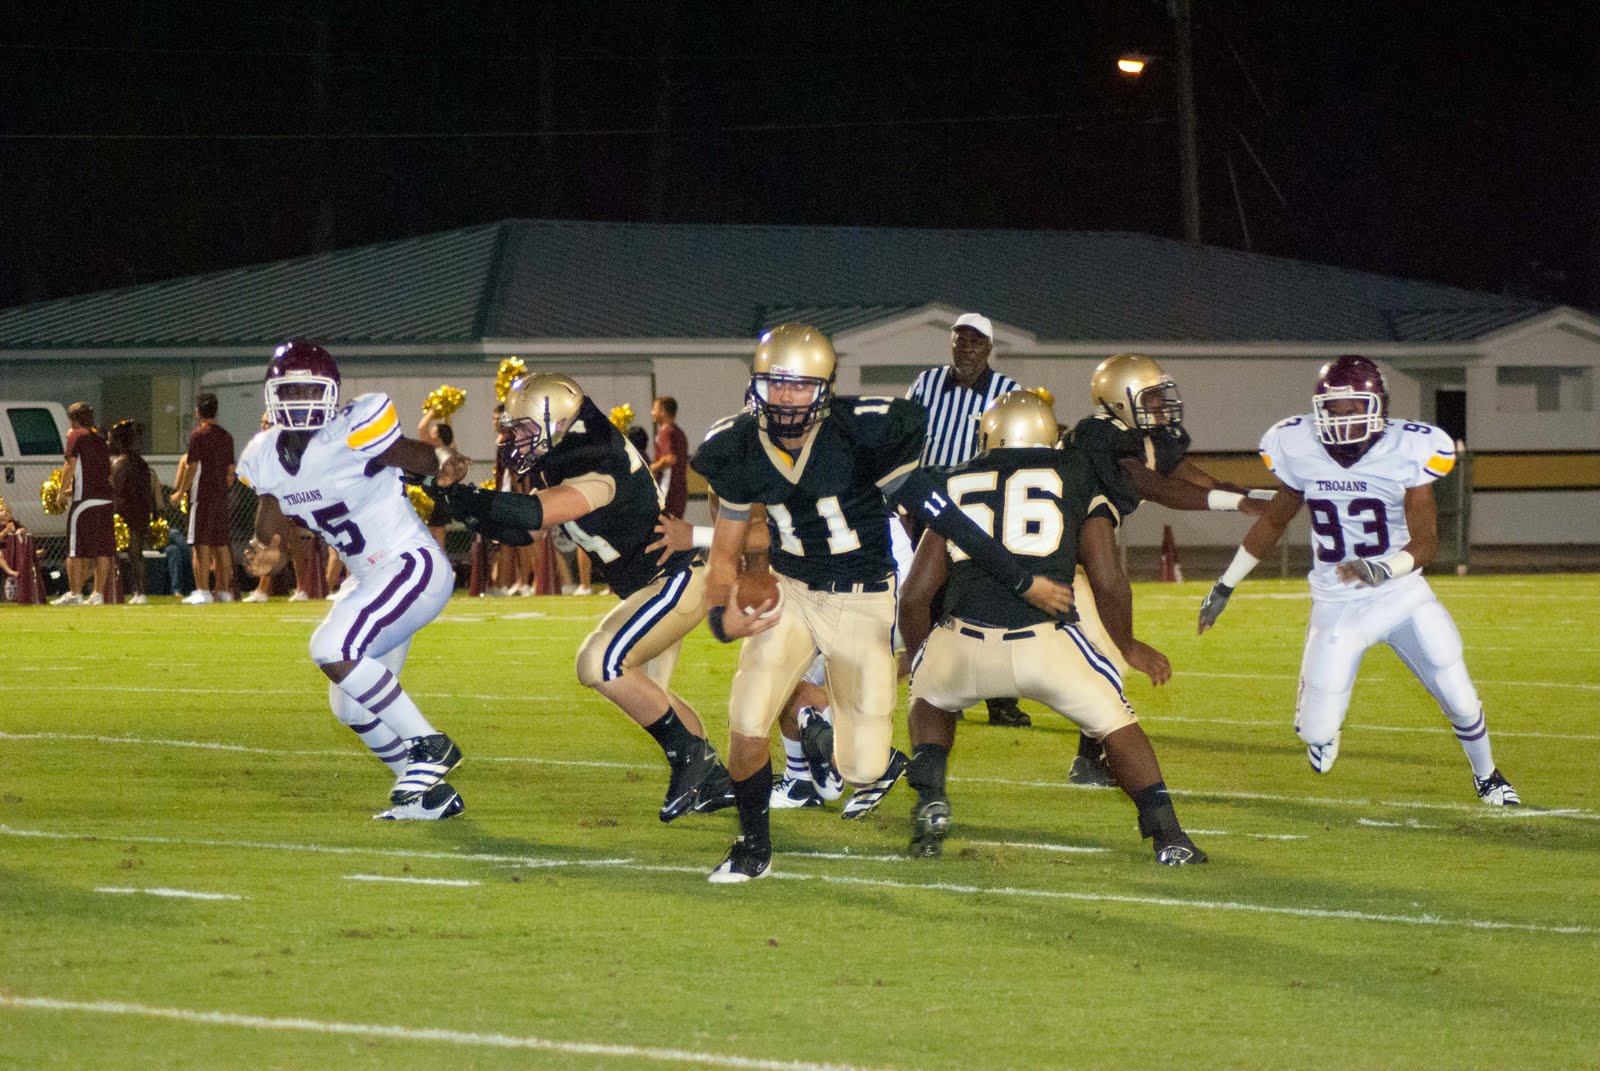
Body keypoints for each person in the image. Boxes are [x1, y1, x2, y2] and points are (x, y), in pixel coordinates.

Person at [690, 322, 1073, 883]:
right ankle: (753, 847)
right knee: (746, 718)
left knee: (860, 766)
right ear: (756, 385)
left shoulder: (863, 433)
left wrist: (1023, 582)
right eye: (776, 384)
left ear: (825, 388)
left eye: (800, 386)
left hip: (863, 602)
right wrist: (719, 614)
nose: (787, 398)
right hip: (792, 592)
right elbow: (725, 551)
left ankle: (858, 756)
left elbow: (944, 516)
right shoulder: (738, 445)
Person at [899, 390, 1207, 863]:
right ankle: (1169, 837)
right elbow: (1106, 578)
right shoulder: (1079, 475)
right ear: (1051, 432)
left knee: (929, 699)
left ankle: (929, 798)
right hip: (1043, 644)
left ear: (989, 433)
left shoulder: (953, 480)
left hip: (962, 639)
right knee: (1116, 722)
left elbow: (917, 593)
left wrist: (923, 658)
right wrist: (1126, 644)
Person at [1197, 355, 1519, 806]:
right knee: (1315, 730)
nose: (1344, 419)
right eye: (1335, 409)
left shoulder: (1407, 451)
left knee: (1458, 691)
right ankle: (1320, 725)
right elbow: (1272, 523)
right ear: (1319, 409)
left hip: (1401, 595)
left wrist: (1383, 569)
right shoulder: (1297, 446)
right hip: (1338, 605)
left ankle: (1488, 776)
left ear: (1379, 407)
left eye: (1355, 408)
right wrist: (1225, 585)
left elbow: (1426, 541)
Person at [426, 373, 738, 822]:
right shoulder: (568, 450)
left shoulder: (592, 456)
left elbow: (536, 511)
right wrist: (455, 503)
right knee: (652, 696)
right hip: (656, 582)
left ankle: (696, 760)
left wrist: (464, 494)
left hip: (675, 579)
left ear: (556, 419)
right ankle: (714, 782)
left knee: (600, 663)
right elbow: (526, 530)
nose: (516, 439)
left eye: (525, 429)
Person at [238, 339, 467, 820]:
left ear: (330, 394)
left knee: (332, 648)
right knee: (353, 709)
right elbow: (272, 534)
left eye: (309, 391)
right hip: (369, 579)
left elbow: (420, 456)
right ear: (272, 395)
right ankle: (428, 796)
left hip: (410, 563)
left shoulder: (353, 431)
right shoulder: (263, 456)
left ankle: (430, 744)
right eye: (290, 391)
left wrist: (446, 460)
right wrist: (266, 557)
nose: (299, 401)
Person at [1063, 353, 1273, 785]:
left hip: (1075, 552)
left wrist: (1237, 493)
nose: (1161, 406)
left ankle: (1087, 759)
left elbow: (1180, 471)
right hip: (1055, 559)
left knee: (1104, 657)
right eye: (1151, 397)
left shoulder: (1142, 438)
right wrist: (1232, 502)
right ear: (1118, 400)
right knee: (1108, 652)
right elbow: (1153, 486)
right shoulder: (1099, 435)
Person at [905, 312, 1029, 727]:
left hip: (982, 508)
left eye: (975, 342)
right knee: (936, 601)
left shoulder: (1007, 391)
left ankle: (1000, 700)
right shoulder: (925, 384)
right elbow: (904, 438)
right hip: (931, 506)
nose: (966, 349)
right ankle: (940, 689)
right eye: (960, 341)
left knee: (991, 599)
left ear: (989, 348)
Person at [170, 392, 237, 604]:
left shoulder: (198, 435)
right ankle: (225, 591)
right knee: (221, 544)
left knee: (201, 544)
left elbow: (192, 465)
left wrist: (181, 490)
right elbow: (230, 470)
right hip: (220, 496)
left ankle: (203, 590)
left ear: (198, 412)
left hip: (202, 495)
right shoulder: (226, 436)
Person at [52, 402, 115, 605]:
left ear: (73, 419)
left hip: (85, 501)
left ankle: (75, 593)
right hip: (104, 499)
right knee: (103, 549)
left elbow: (70, 464)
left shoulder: (75, 435)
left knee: (75, 550)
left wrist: (62, 491)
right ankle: (98, 594)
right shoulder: (99, 437)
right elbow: (97, 469)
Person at [108, 420, 163, 606]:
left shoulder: (119, 464)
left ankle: (131, 591)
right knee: (136, 554)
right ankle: (139, 591)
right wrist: (152, 511)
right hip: (140, 511)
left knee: (129, 554)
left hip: (124, 514)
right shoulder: (141, 463)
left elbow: (114, 490)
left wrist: (114, 513)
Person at [650, 396, 690, 519]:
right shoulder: (679, 432)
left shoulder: (665, 432)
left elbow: (670, 459)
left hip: (667, 489)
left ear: (662, 411)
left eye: (654, 409)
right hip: (680, 489)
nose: (652, 412)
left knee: (662, 528)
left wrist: (651, 468)